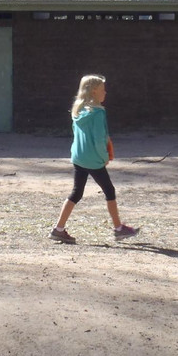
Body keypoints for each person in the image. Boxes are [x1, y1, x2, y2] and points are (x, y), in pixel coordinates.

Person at [49, 74, 139, 244]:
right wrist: (104, 157)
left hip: (79, 157)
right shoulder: (97, 113)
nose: (105, 93)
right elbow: (99, 139)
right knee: (109, 191)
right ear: (94, 92)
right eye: (103, 90)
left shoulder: (78, 110)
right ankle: (119, 229)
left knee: (76, 193)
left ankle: (58, 229)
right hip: (93, 159)